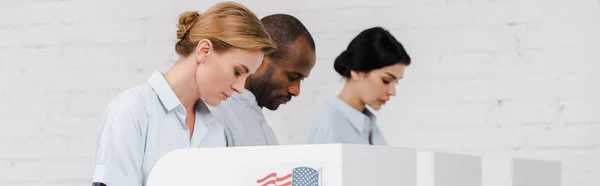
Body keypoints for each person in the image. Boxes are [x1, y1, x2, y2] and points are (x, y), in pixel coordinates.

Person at [91, 2, 276, 186]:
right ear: (204, 51)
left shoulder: (215, 129)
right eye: (237, 72)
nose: (240, 88)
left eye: (246, 77)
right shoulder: (131, 112)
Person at [208, 14, 316, 146]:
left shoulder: (255, 116)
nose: (296, 90)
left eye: (301, 80)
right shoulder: (215, 115)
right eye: (292, 77)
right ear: (260, 59)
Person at [307, 27, 411, 145]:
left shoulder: (370, 127)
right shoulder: (328, 127)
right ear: (356, 72)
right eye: (386, 80)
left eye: (396, 82)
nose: (393, 92)